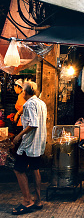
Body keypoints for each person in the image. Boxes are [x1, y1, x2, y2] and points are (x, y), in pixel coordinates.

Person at [12, 81, 47, 215]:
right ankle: (38, 200)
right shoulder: (41, 103)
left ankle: (27, 201)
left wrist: (19, 136)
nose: (21, 93)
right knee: (34, 169)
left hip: (29, 144)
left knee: (18, 170)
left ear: (25, 92)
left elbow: (33, 124)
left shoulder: (29, 104)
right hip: (39, 143)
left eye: (22, 91)